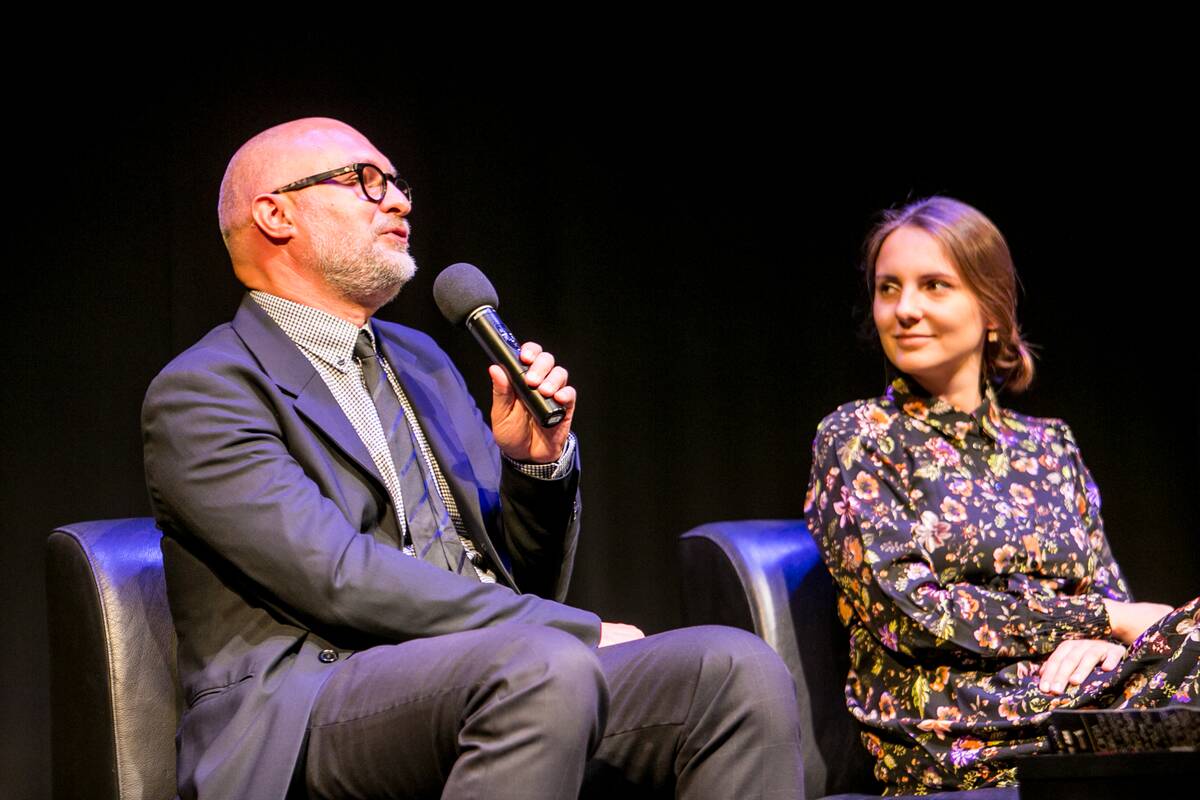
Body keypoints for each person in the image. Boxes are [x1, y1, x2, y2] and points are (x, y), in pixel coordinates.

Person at [142, 117, 802, 800]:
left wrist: (535, 468)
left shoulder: (420, 361)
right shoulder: (206, 392)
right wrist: (567, 632)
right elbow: (335, 576)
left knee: (733, 669)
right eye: (366, 181)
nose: (400, 201)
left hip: (498, 671)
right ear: (275, 215)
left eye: (398, 183)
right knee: (540, 665)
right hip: (314, 702)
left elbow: (519, 581)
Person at [803, 196, 1198, 794]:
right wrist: (1101, 620)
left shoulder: (1049, 445)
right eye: (889, 289)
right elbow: (915, 616)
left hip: (1078, 695)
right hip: (955, 724)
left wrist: (1099, 637)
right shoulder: (858, 437)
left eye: (934, 285)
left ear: (991, 311)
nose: (905, 309)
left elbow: (1109, 590)